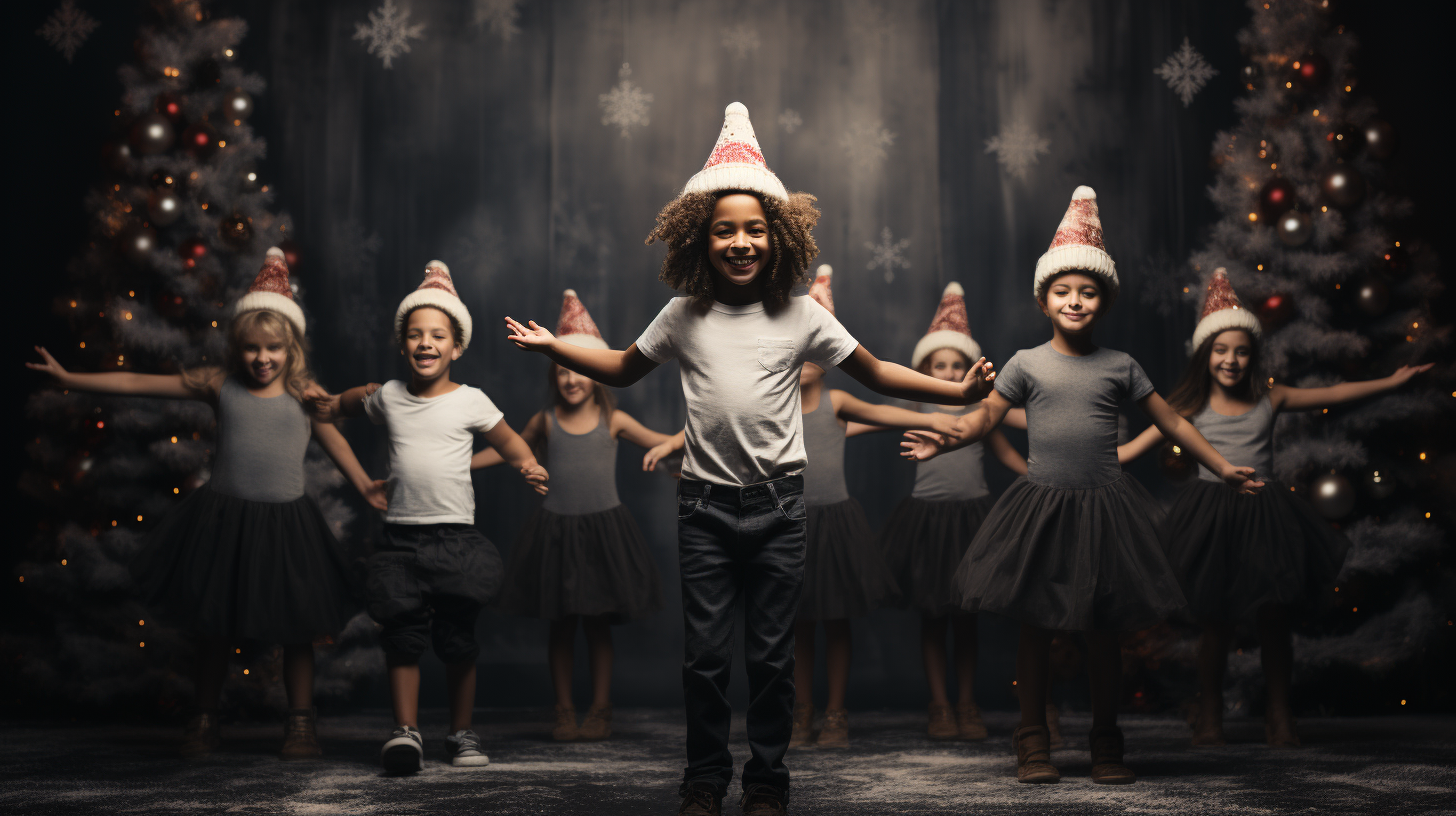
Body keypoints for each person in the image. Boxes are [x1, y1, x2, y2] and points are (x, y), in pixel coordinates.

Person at [505, 103, 994, 816]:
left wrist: (952, 389)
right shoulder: (682, 315)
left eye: (754, 230)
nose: (740, 241)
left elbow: (880, 370)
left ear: (779, 238)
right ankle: (704, 779)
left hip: (778, 511)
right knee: (705, 659)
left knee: (769, 660)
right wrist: (556, 348)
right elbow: (616, 367)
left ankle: (766, 783)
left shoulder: (801, 315)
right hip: (704, 510)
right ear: (699, 240)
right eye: (724, 230)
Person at [902, 186, 1262, 785]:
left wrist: (1221, 466)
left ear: (1105, 301)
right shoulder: (1024, 363)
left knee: (1103, 633)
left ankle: (1105, 741)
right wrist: (946, 437)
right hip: (1042, 508)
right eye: (1063, 291)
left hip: (1106, 510)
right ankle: (1032, 740)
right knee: (1037, 630)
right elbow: (987, 418)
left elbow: (1171, 419)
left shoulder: (1120, 365)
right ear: (1045, 300)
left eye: (1088, 291)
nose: (1075, 300)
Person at [27, 248, 384, 759]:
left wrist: (368, 486)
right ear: (237, 349)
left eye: (274, 350)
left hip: (288, 526)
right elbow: (137, 383)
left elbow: (339, 443)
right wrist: (70, 380)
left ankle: (301, 724)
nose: (263, 359)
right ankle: (204, 718)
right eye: (252, 349)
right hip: (225, 521)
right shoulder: (220, 384)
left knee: (300, 630)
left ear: (292, 349)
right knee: (215, 624)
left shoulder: (307, 393)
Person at [1117, 268, 1430, 747]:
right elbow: (1130, 449)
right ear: (1205, 355)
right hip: (1210, 517)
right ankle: (1211, 712)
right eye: (1221, 350)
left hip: (1265, 514)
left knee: (1273, 618)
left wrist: (1390, 382)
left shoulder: (1270, 396)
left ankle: (1280, 714)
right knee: (1216, 624)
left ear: (1253, 355)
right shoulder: (1188, 405)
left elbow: (1332, 394)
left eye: (1241, 351)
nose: (1231, 360)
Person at [308, 260, 547, 773]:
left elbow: (510, 443)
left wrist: (528, 466)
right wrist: (329, 401)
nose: (425, 343)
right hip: (400, 542)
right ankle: (406, 731)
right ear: (402, 345)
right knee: (402, 635)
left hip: (456, 540)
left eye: (438, 335)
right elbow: (350, 404)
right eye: (415, 334)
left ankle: (461, 734)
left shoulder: (471, 401)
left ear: (456, 347)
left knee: (458, 640)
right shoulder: (390, 397)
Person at [486, 289, 672, 742]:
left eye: (579, 370)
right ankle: (564, 710)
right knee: (561, 627)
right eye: (562, 370)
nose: (571, 380)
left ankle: (601, 710)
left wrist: (679, 457)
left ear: (596, 374)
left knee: (598, 627)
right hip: (556, 534)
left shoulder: (614, 421)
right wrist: (454, 461)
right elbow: (509, 450)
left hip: (604, 533)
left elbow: (661, 442)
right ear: (553, 373)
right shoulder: (544, 421)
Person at [879, 281, 1028, 742]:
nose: (946, 372)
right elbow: (870, 414)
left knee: (966, 620)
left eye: (956, 364)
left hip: (972, 521)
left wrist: (1035, 476)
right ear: (924, 370)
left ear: (969, 370)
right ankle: (939, 705)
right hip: (926, 521)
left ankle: (967, 703)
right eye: (938, 365)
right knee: (932, 616)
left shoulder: (984, 406)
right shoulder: (918, 405)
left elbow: (1008, 443)